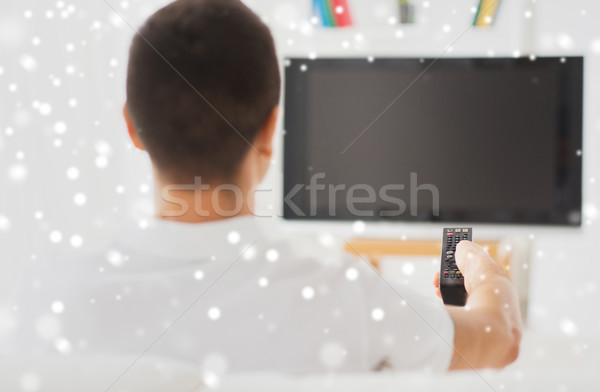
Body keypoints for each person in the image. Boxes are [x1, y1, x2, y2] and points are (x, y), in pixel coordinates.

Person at [4, 0, 521, 375]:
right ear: (271, 130)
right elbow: (499, 343)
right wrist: (484, 270)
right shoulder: (344, 294)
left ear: (133, 128)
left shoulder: (47, 299)